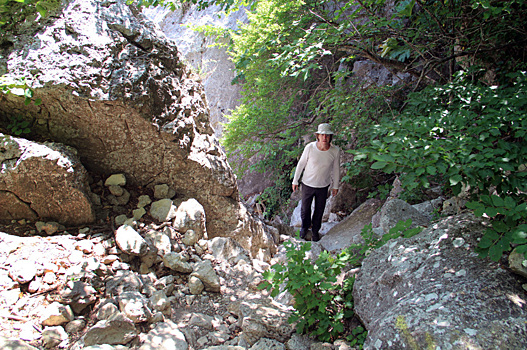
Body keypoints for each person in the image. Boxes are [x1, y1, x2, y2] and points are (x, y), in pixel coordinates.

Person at [292, 123, 340, 242]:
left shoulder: (335, 151)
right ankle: (304, 227)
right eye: (322, 135)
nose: (325, 137)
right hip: (307, 184)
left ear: (330, 137)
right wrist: (295, 180)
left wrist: (335, 186)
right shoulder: (310, 147)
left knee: (319, 210)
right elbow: (301, 164)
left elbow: (336, 169)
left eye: (327, 135)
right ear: (317, 136)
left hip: (323, 186)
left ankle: (315, 231)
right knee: (305, 209)